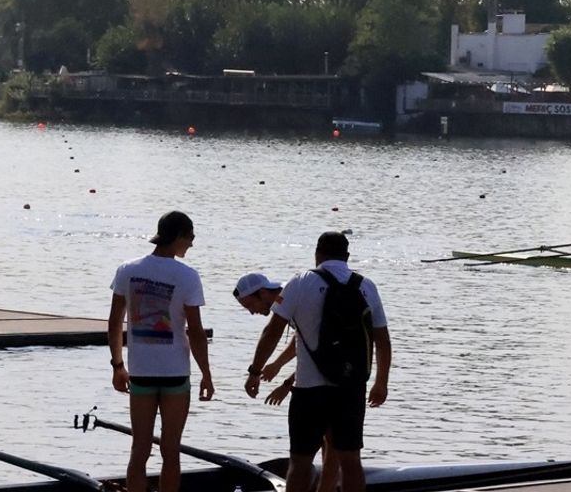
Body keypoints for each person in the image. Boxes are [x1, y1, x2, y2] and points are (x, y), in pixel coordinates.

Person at [243, 232, 391, 492]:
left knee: (300, 462)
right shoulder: (366, 286)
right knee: (351, 461)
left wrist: (255, 371)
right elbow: (382, 339)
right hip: (350, 388)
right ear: (347, 257)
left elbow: (273, 331)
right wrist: (381, 382)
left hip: (310, 391)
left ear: (317, 254)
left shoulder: (300, 282)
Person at [107, 211, 214, 492]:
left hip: (140, 372)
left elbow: (115, 321)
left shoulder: (127, 269)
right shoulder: (188, 276)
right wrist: (206, 374)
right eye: (190, 238)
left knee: (139, 448)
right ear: (179, 236)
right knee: (170, 450)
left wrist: (118, 365)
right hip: (175, 374)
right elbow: (196, 331)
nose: (191, 244)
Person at [233, 273, 340, 492]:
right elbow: (301, 338)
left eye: (250, 305)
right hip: (342, 380)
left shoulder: (289, 295)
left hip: (323, 382)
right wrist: (278, 364)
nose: (252, 312)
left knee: (324, 449)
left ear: (263, 292)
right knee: (330, 446)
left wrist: (284, 383)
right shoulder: (293, 295)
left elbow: (279, 335)